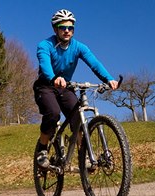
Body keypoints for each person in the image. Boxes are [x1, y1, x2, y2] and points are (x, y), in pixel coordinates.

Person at [33, 9, 118, 168]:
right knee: (53, 113)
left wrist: (109, 79)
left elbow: (94, 63)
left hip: (66, 87)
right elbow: (44, 63)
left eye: (70, 28)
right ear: (55, 29)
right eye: (63, 27)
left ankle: (83, 156)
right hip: (46, 85)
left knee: (78, 117)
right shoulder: (45, 45)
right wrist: (53, 77)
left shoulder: (79, 47)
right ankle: (42, 150)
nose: (67, 31)